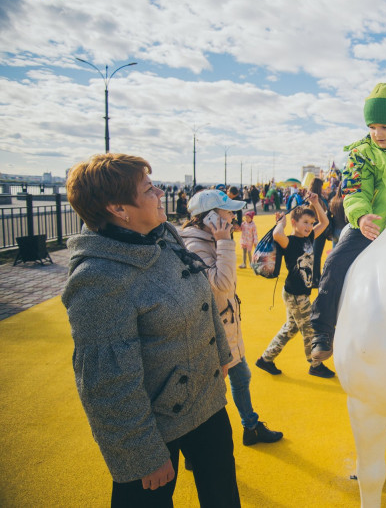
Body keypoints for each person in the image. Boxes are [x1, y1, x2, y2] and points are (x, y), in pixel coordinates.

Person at [62, 154, 241, 507]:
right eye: (148, 189)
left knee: (222, 494)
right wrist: (142, 455)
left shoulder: (164, 235)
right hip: (154, 428)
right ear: (118, 209)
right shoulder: (98, 278)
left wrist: (221, 353)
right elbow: (107, 383)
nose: (160, 193)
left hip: (206, 402)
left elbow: (203, 298)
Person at [310, 81, 386, 361]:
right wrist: (361, 215)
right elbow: (355, 189)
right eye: (372, 127)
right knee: (334, 263)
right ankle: (322, 330)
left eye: (385, 127)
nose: (377, 133)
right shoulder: (361, 152)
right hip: (370, 228)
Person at [181, 190, 283, 448]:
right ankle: (199, 450)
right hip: (212, 334)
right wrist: (224, 240)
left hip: (227, 327)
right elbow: (222, 283)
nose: (232, 216)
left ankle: (250, 426)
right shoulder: (195, 245)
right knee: (209, 392)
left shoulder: (209, 239)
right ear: (210, 217)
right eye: (227, 211)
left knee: (241, 376)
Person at [256, 195, 334, 378]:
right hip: (295, 295)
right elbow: (277, 235)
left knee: (290, 328)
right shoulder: (289, 241)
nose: (309, 226)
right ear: (294, 222)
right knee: (309, 329)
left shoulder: (310, 237)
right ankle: (315, 364)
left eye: (311, 223)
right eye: (305, 222)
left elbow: (324, 222)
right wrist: (281, 223)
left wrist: (316, 203)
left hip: (300, 293)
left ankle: (266, 359)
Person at [309, 176, 331, 286]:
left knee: (316, 254)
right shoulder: (315, 200)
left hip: (318, 226)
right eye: (321, 186)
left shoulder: (317, 198)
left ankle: (316, 277)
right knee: (316, 254)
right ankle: (315, 278)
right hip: (319, 226)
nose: (323, 188)